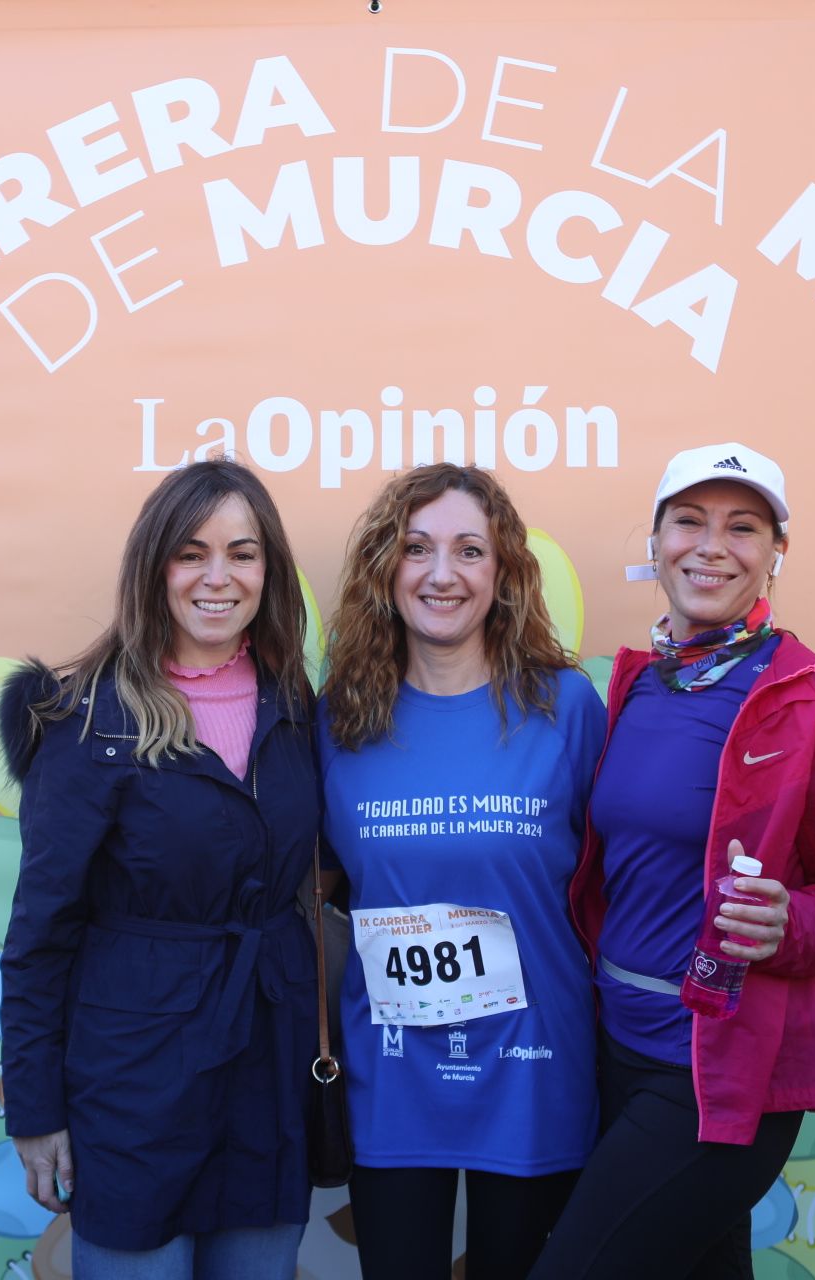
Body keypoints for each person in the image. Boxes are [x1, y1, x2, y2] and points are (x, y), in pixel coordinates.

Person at [530, 442, 815, 1279]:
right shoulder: (634, 684)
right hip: (610, 1049)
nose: (712, 546)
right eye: (689, 522)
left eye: (743, 527)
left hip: (714, 1072)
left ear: (777, 552)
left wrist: (790, 922)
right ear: (657, 542)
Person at [0, 459, 320, 1280]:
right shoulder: (84, 718)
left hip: (265, 1062)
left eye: (243, 554)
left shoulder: (297, 704)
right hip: (132, 1078)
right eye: (191, 553)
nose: (219, 577)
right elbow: (41, 931)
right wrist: (34, 1110)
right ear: (153, 567)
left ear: (269, 570)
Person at [318, 463, 606, 1280]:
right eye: (417, 548)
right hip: (393, 1075)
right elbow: (316, 885)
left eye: (470, 551)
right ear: (387, 569)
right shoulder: (338, 720)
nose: (442, 574)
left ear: (504, 574)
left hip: (534, 1074)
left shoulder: (567, 709)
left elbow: (615, 878)